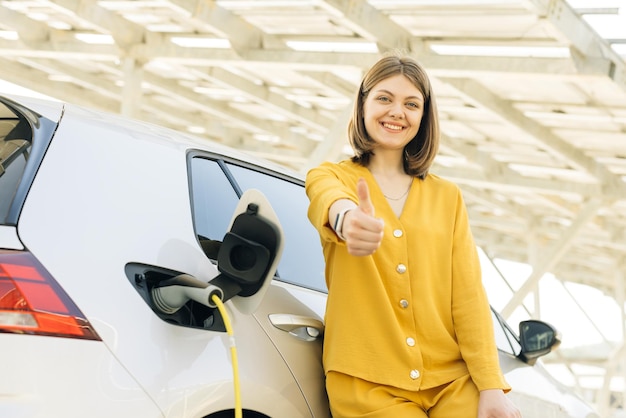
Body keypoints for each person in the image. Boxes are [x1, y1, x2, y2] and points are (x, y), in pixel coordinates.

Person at [305, 54, 521, 418]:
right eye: (384, 98)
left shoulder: (447, 197)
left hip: (451, 381)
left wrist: (490, 386)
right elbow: (330, 203)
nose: (397, 112)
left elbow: (468, 297)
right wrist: (349, 220)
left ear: (424, 116)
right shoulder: (331, 176)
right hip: (367, 382)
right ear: (363, 104)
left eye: (411, 104)